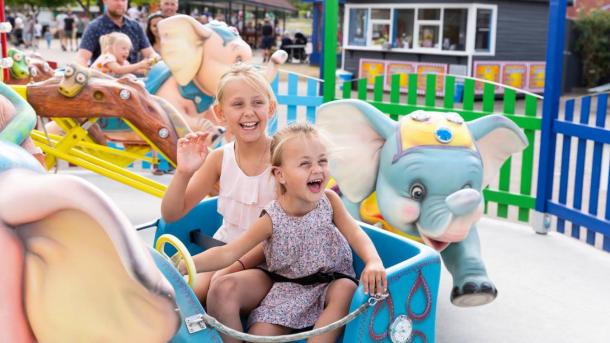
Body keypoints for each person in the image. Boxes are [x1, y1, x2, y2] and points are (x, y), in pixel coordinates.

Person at [182, 123, 388, 342]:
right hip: (288, 288)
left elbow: (355, 233)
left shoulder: (329, 201)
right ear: (280, 175)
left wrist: (373, 261)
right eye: (305, 164)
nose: (317, 169)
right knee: (260, 336)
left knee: (346, 289)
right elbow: (228, 253)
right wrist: (184, 264)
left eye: (322, 161)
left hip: (332, 280)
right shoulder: (271, 218)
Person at [161, 63, 278, 303]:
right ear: (220, 113)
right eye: (237, 104)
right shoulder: (219, 158)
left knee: (220, 288)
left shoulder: (283, 157)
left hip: (268, 261)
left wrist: (228, 264)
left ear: (271, 108)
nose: (248, 112)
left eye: (257, 103)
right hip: (223, 251)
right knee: (185, 298)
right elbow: (171, 214)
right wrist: (184, 172)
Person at [76, 0, 157, 67]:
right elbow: (83, 58)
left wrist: (156, 61)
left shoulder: (135, 26)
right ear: (105, 1)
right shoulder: (94, 27)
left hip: (133, 79)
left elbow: (150, 53)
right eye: (115, 0)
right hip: (105, 80)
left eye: (123, 0)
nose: (120, 3)